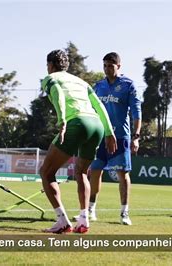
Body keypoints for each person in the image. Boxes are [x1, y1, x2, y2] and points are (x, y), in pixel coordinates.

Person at [39, 49, 117, 234]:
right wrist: (109, 131)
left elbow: (57, 91)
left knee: (46, 172)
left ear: (50, 65)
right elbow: (98, 104)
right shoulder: (81, 82)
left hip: (76, 123)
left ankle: (62, 221)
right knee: (81, 172)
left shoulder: (50, 78)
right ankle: (84, 220)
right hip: (96, 124)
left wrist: (62, 119)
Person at [80, 52, 142, 225]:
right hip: (100, 136)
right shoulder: (98, 86)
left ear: (119, 66)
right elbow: (90, 109)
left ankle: (124, 213)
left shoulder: (128, 85)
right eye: (105, 65)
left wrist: (136, 137)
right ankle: (90, 210)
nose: (107, 68)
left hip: (121, 136)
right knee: (95, 172)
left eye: (111, 65)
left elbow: (137, 112)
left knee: (122, 174)